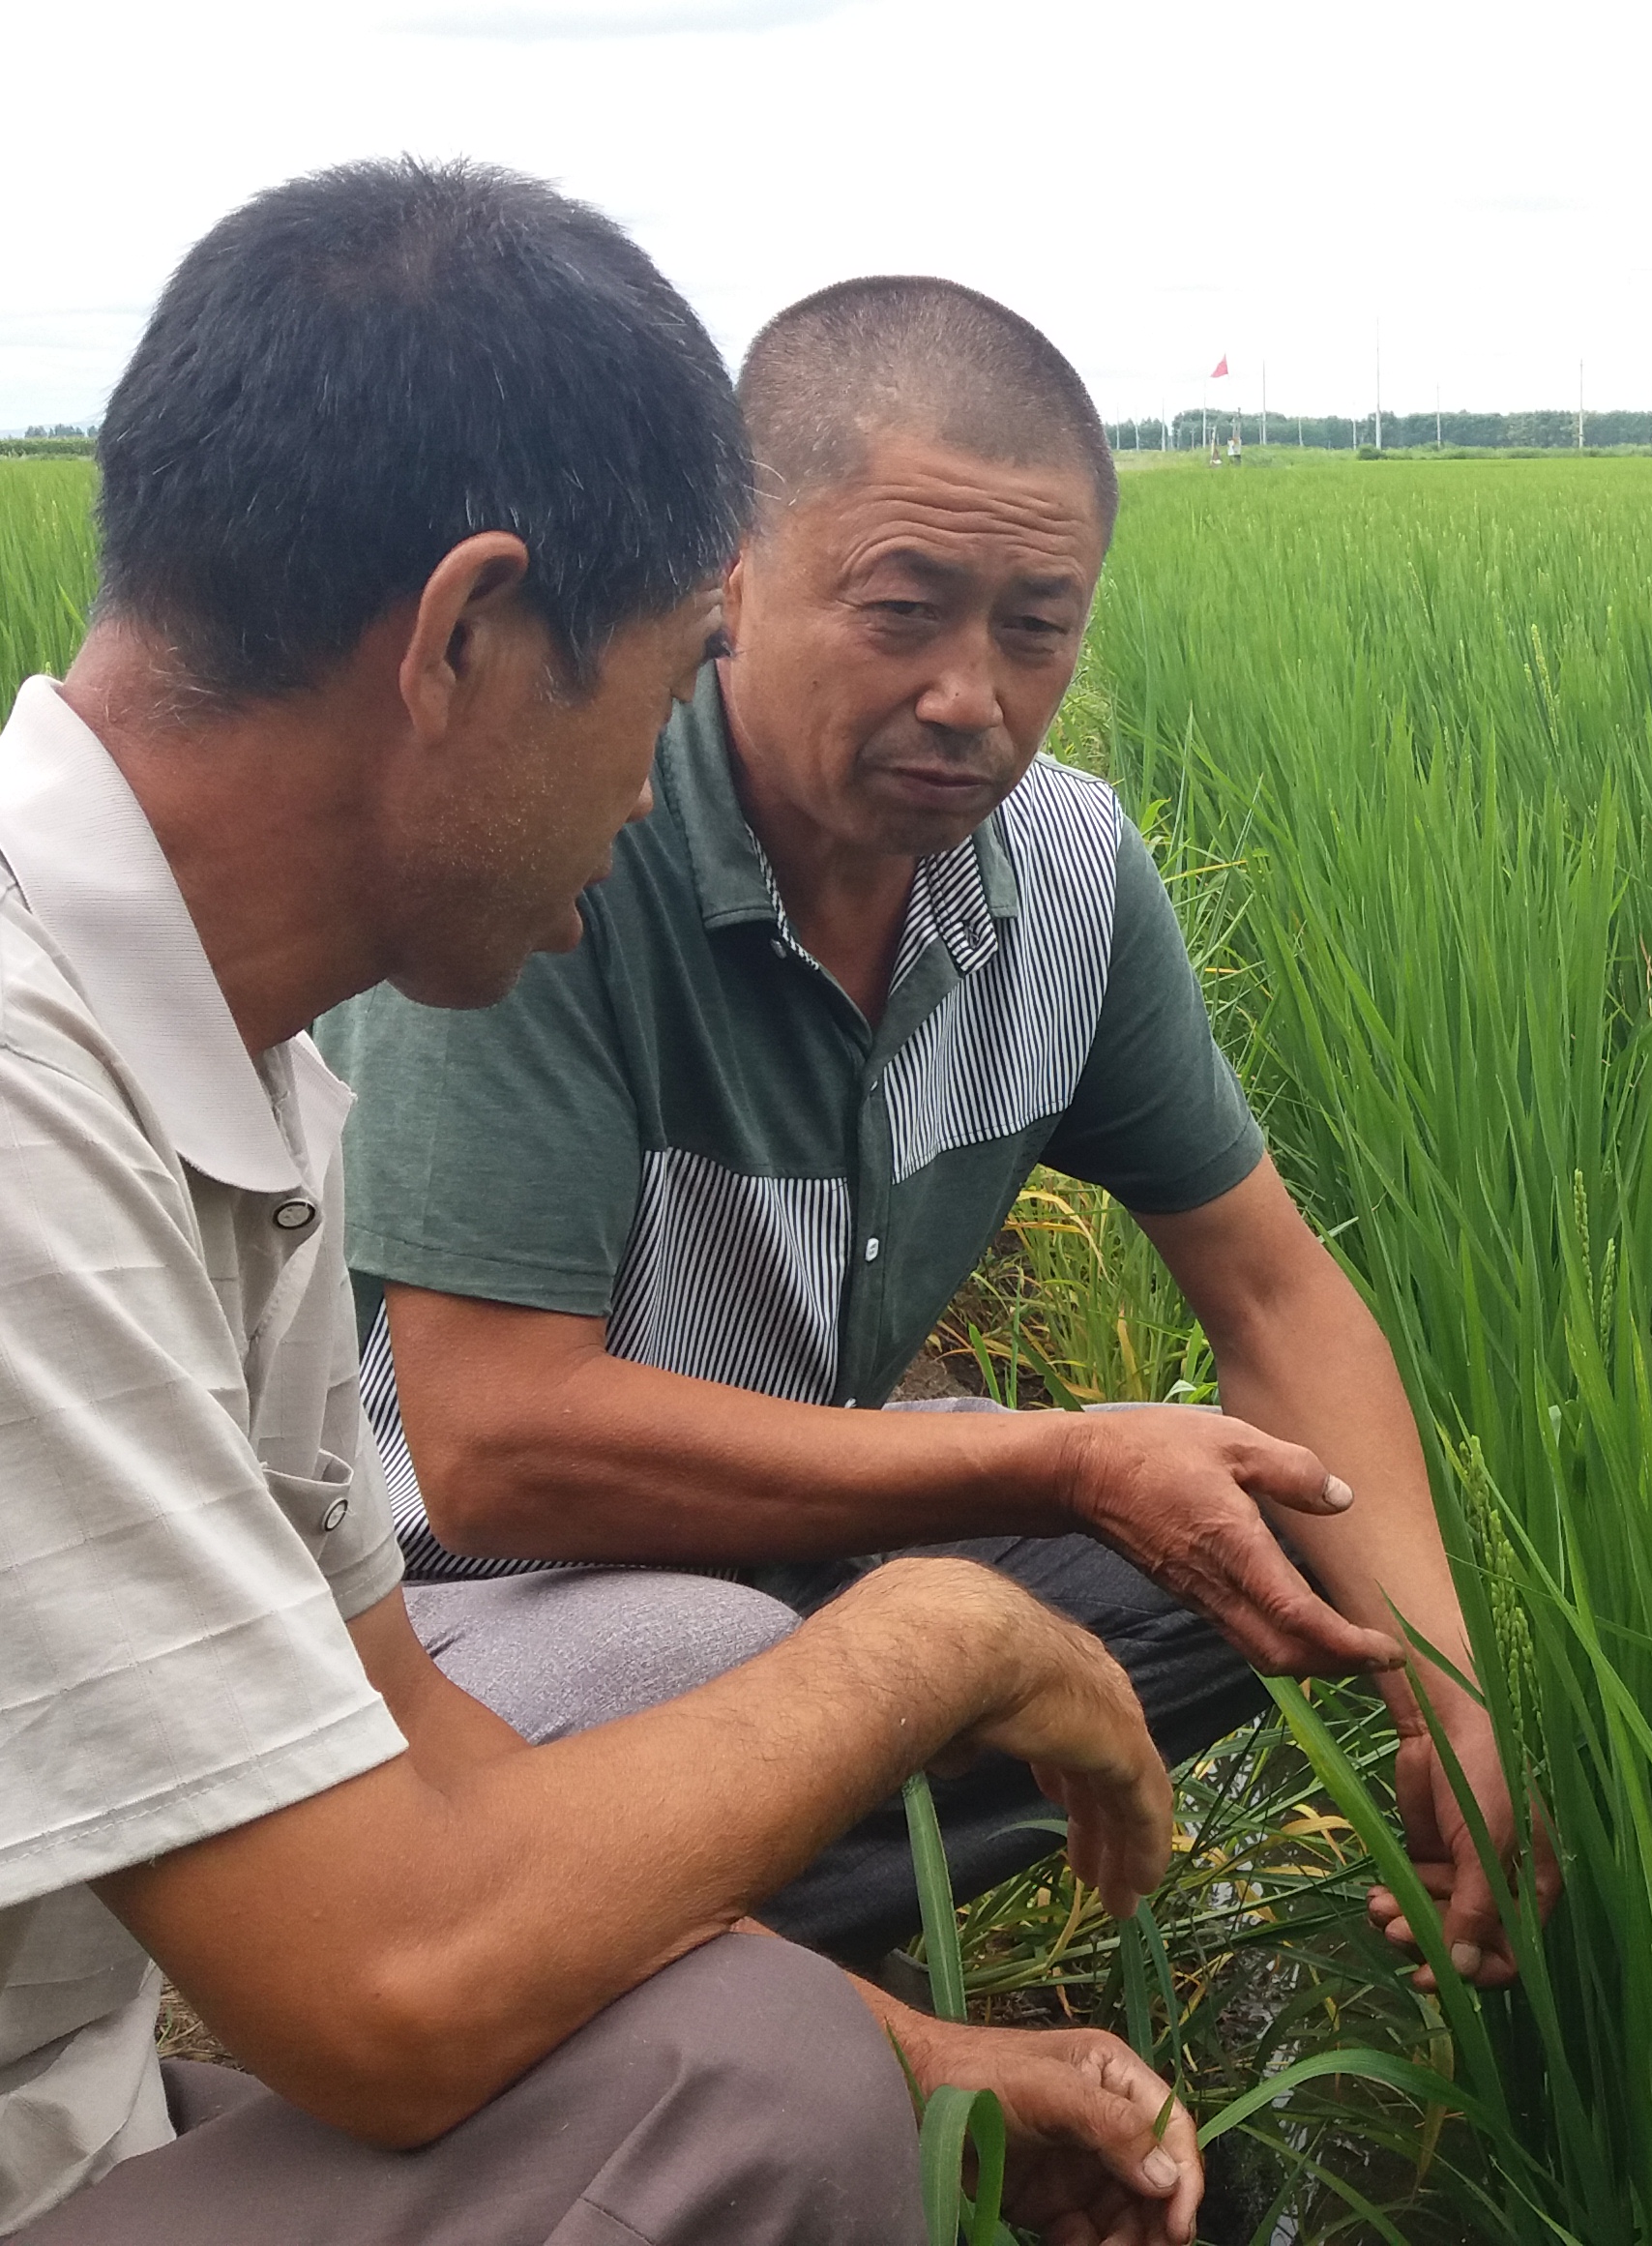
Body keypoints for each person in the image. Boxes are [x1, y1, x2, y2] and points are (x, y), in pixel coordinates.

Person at [0, 163, 1203, 2246]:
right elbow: (386, 1995)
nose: (655, 791)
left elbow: (417, 1752)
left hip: (26, 2136)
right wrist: (936, 1633)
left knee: (773, 2069)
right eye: (659, 696)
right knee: (753, 2111)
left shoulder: (221, 1074)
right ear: (468, 637)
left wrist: (932, 2062)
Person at [321, 276, 1552, 1988]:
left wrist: (1442, 1677)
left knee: (1279, 1541)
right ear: (731, 577)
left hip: (790, 1533)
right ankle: (657, 1985)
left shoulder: (1063, 872)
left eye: (1035, 628)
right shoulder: (566, 844)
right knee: (712, 1652)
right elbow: (492, 1442)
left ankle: (738, 1923)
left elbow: (1272, 1295)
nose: (973, 694)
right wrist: (1053, 1460)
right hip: (460, 1605)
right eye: (906, 611)